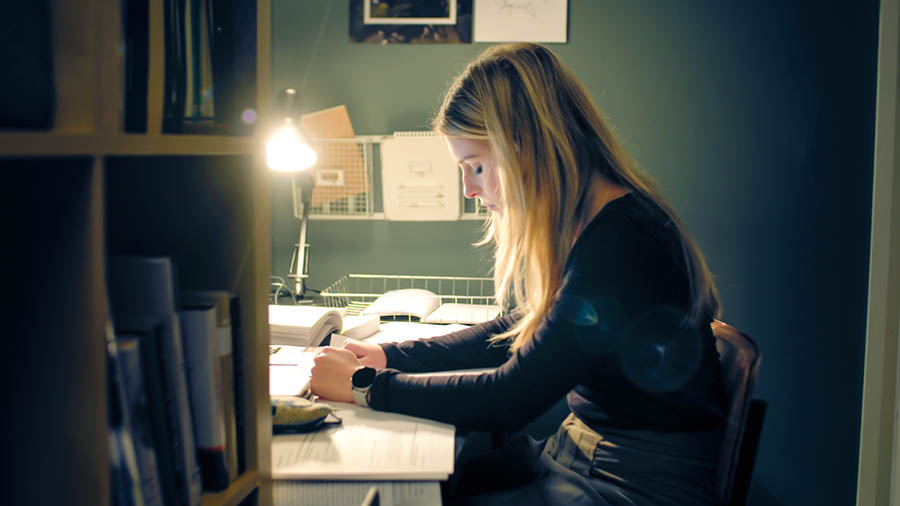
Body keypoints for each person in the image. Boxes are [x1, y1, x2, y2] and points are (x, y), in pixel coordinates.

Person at [310, 43, 727, 505]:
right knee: (446, 481)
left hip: (631, 485)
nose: (469, 189)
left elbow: (512, 397)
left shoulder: (621, 244)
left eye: (478, 167)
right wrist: (388, 356)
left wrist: (365, 387)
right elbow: (518, 327)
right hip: (586, 456)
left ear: (525, 148)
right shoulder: (598, 223)